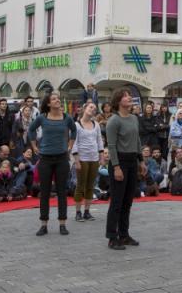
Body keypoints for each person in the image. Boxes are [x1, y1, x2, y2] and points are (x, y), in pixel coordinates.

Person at [28, 92, 77, 236]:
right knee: (45, 192)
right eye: (54, 99)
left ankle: (62, 223)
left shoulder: (66, 117)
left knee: (62, 191)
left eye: (58, 99)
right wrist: (34, 146)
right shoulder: (42, 118)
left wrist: (70, 146)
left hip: (62, 158)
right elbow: (31, 129)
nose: (57, 101)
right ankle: (44, 224)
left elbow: (74, 130)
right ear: (48, 103)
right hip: (45, 159)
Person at [105, 88, 145, 250]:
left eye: (130, 96)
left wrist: (141, 161)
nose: (130, 98)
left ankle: (124, 234)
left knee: (127, 201)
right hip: (119, 161)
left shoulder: (134, 118)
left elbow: (137, 141)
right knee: (116, 202)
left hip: (132, 161)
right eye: (126, 96)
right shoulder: (114, 121)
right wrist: (116, 167)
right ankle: (112, 237)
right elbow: (112, 146)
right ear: (118, 101)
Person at [72, 102, 104, 222]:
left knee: (91, 185)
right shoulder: (76, 125)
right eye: (91, 107)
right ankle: (78, 212)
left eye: (95, 108)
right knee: (80, 185)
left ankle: (87, 211)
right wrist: (77, 160)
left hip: (94, 158)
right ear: (84, 108)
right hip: (82, 158)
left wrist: (101, 156)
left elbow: (99, 141)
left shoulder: (96, 124)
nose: (93, 109)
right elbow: (74, 143)